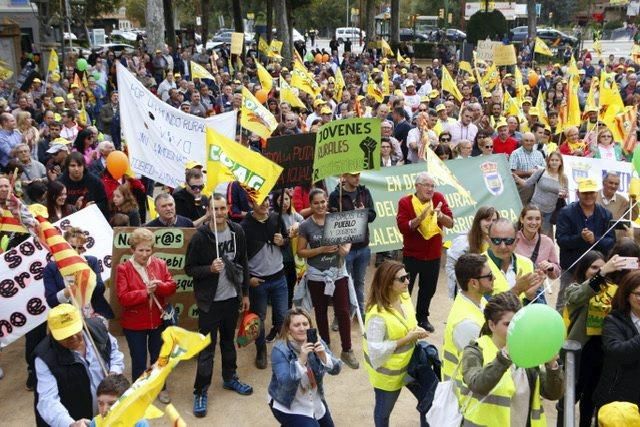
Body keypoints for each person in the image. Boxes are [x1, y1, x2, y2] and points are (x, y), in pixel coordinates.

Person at [185, 194, 253, 418]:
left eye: (223, 208)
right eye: (215, 208)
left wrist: (244, 293)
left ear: (228, 209)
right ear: (209, 210)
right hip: (209, 303)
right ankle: (200, 391)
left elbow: (243, 261)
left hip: (232, 299)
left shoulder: (237, 231)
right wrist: (209, 269)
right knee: (206, 349)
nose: (220, 212)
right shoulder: (200, 237)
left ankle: (230, 378)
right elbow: (189, 269)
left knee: (228, 343)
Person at [460, 292, 564, 426]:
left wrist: (552, 366)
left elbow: (552, 394)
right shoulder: (475, 350)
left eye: (518, 323)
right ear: (492, 325)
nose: (514, 329)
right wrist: (504, 356)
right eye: (508, 324)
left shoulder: (527, 351)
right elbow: (478, 384)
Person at [563, 251, 628, 427]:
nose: (598, 270)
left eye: (602, 267)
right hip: (580, 350)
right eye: (594, 267)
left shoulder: (612, 288)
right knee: (570, 396)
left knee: (591, 399)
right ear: (584, 268)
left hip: (603, 351)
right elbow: (577, 297)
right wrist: (601, 274)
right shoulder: (575, 288)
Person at [297, 188, 358, 369]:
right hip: (316, 275)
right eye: (316, 203)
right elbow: (300, 251)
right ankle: (325, 348)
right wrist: (321, 250)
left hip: (337, 273)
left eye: (323, 202)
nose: (320, 206)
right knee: (321, 313)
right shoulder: (305, 226)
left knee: (343, 311)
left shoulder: (336, 219)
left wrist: (344, 249)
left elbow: (348, 240)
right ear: (311, 205)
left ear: (327, 202)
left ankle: (347, 350)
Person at [34, 304, 125, 427]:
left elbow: (114, 351)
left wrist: (114, 372)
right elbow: (47, 401)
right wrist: (71, 424)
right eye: (65, 335)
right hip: (76, 417)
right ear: (52, 333)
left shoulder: (98, 328)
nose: (73, 337)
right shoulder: (44, 357)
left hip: (108, 412)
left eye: (75, 330)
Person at [363, 260, 430, 426]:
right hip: (389, 376)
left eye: (407, 276)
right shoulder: (377, 316)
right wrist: (408, 338)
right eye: (402, 279)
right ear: (388, 283)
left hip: (412, 364)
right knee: (383, 413)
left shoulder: (403, 296)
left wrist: (416, 332)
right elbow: (376, 350)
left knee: (430, 403)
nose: (408, 281)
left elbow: (408, 321)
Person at [116, 228, 176, 404]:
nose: (144, 253)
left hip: (158, 321)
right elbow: (122, 298)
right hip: (134, 325)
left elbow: (172, 287)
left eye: (148, 249)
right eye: (140, 250)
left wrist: (160, 287)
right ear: (132, 250)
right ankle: (139, 390)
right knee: (139, 359)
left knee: (159, 358)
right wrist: (144, 293)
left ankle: (160, 387)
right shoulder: (123, 269)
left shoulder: (160, 264)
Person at [396, 172, 453, 332]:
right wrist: (420, 218)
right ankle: (405, 319)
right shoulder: (405, 202)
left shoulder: (439, 198)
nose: (430, 189)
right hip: (412, 255)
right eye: (426, 185)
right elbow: (403, 227)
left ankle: (422, 317)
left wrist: (440, 215)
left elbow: (450, 223)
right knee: (405, 288)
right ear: (417, 186)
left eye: (432, 186)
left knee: (428, 289)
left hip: (434, 255)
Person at [268, 307, 341, 426]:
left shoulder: (316, 341)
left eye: (305, 324)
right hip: (288, 405)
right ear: (288, 330)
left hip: (313, 399)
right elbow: (286, 384)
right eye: (297, 325)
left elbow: (336, 370)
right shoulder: (280, 350)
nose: (302, 328)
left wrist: (323, 356)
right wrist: (301, 360)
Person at [240, 196, 289, 369]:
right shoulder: (244, 227)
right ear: (251, 204)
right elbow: (240, 258)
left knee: (283, 316)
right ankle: (260, 350)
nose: (266, 204)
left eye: (268, 199)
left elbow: (287, 242)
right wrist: (247, 280)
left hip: (279, 278)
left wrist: (283, 241)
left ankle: (283, 349)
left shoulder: (276, 218)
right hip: (258, 282)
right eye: (261, 201)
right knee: (258, 319)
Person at [556, 178, 616, 311]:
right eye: (585, 193)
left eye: (591, 192)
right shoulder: (566, 212)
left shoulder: (606, 214)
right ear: (578, 193)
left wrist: (595, 239)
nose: (589, 196)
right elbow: (561, 240)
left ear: (597, 193)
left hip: (597, 270)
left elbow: (611, 242)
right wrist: (580, 238)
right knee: (565, 302)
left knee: (597, 304)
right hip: (572, 268)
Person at [328, 171, 376, 320]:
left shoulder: (364, 192)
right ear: (345, 176)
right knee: (342, 284)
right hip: (344, 249)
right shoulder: (336, 195)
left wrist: (363, 213)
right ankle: (340, 316)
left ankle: (359, 312)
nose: (357, 178)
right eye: (353, 175)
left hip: (362, 246)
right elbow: (332, 220)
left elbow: (373, 215)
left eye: (358, 175)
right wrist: (349, 216)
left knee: (359, 282)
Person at [593, 270, 640, 414]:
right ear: (627, 295)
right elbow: (617, 353)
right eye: (638, 294)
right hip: (617, 400)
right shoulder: (613, 321)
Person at [442, 254, 494, 383]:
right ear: (474, 283)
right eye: (489, 276)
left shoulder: (478, 300)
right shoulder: (466, 324)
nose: (494, 278)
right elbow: (486, 363)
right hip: (464, 396)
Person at [44, 227, 114, 319]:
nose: (76, 251)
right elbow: (52, 302)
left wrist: (84, 275)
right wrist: (69, 290)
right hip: (70, 319)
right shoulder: (51, 268)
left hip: (97, 316)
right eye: (72, 247)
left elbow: (100, 289)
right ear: (64, 246)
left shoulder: (91, 261)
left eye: (80, 247)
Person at [484, 218, 546, 301]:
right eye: (496, 240)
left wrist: (530, 297)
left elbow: (542, 308)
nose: (503, 246)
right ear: (488, 240)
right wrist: (516, 290)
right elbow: (482, 308)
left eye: (508, 241)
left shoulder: (528, 264)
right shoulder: (477, 266)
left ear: (516, 241)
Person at [446, 206, 499, 298]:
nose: (491, 223)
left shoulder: (497, 241)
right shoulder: (463, 242)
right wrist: (467, 284)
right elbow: (450, 267)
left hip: (488, 289)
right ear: (478, 221)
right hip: (467, 291)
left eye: (494, 220)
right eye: (487, 220)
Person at [512, 151, 568, 237]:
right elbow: (527, 183)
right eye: (552, 160)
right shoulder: (540, 172)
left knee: (542, 236)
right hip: (534, 208)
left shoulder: (563, 177)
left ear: (560, 162)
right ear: (548, 161)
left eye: (557, 160)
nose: (554, 162)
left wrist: (564, 195)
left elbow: (565, 192)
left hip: (549, 211)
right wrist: (516, 178)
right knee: (526, 232)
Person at [514, 204, 561, 304]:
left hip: (536, 291)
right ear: (522, 220)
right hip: (515, 289)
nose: (534, 222)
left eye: (537, 219)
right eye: (530, 218)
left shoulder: (547, 242)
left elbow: (556, 273)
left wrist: (551, 267)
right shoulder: (512, 240)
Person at [58, 152, 109, 218]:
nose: (76, 169)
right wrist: (73, 208)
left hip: (91, 217)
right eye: (73, 166)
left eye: (79, 165)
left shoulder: (95, 181)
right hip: (68, 218)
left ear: (84, 166)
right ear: (67, 167)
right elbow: (54, 205)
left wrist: (92, 207)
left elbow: (104, 202)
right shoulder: (60, 183)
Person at [510, 132, 546, 204]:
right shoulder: (515, 153)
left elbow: (544, 170)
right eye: (526, 140)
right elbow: (512, 173)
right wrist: (529, 173)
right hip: (521, 188)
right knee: (522, 210)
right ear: (522, 141)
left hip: (537, 188)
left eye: (531, 140)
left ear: (535, 142)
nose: (529, 143)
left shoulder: (539, 154)